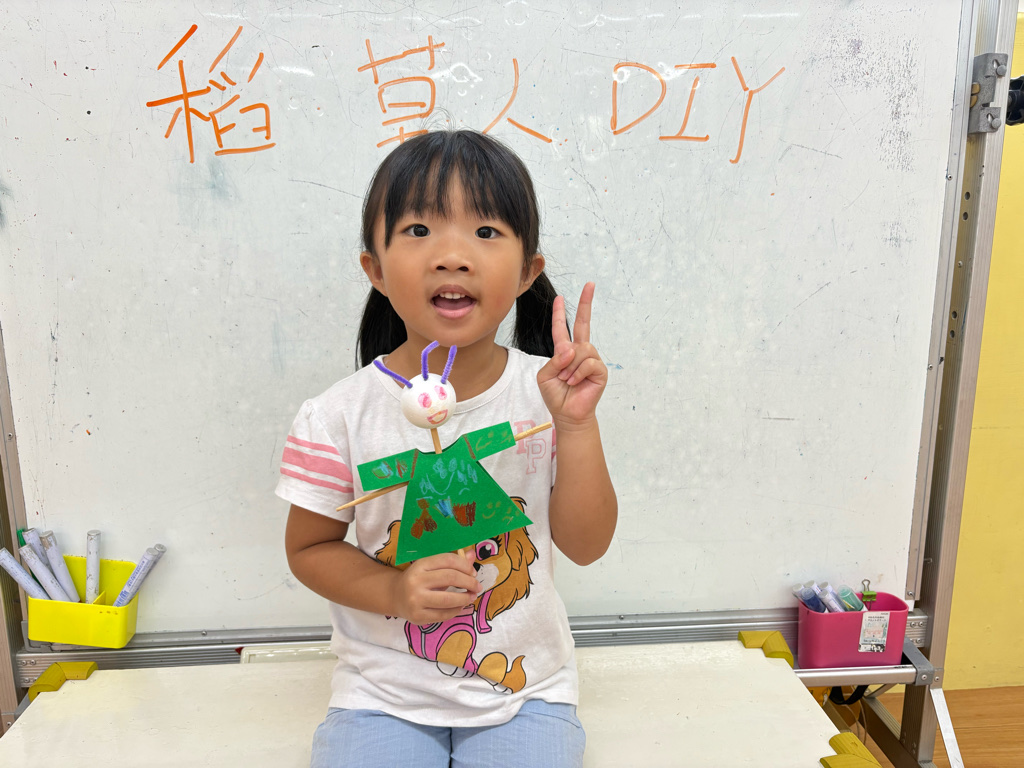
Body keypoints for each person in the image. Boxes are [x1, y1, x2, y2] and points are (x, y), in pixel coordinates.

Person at [278, 129, 617, 768]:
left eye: (486, 231)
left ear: (528, 272)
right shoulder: (336, 416)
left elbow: (587, 545)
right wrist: (395, 592)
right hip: (381, 695)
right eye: (418, 230)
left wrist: (575, 428)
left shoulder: (549, 395)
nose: (453, 256)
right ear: (375, 270)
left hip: (526, 691)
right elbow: (309, 549)